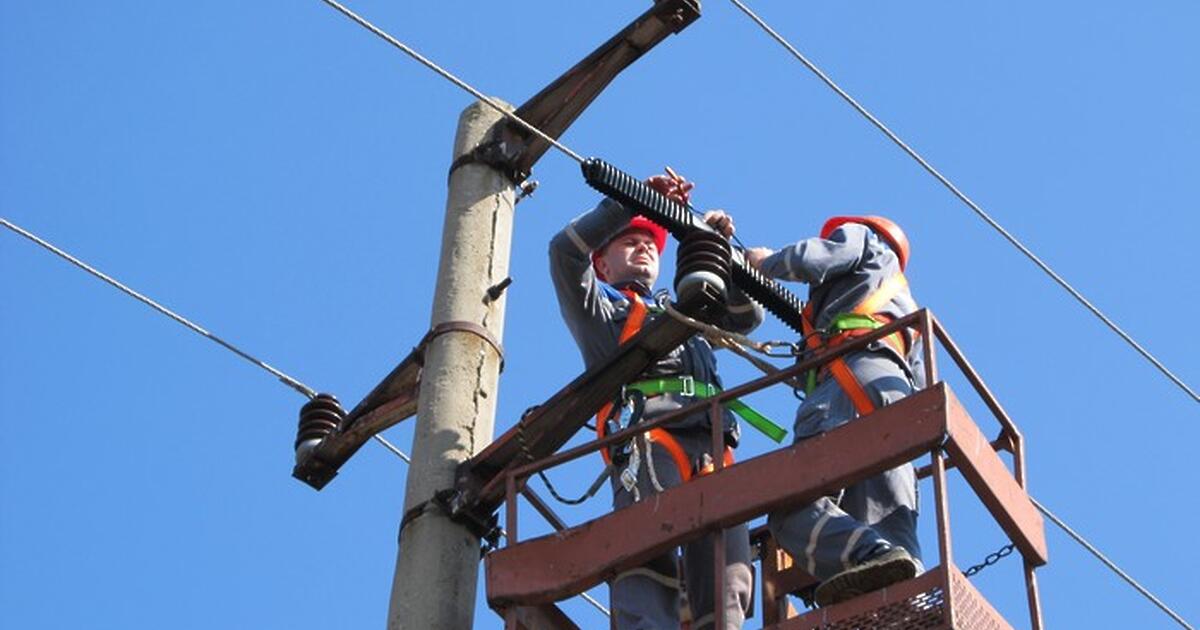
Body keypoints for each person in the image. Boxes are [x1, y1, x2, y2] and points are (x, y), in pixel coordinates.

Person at [549, 173, 762, 629]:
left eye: (651, 243)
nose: (644, 247)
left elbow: (745, 318)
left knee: (729, 568)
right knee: (648, 546)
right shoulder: (601, 313)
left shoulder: (683, 312)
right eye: (629, 242)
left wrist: (720, 251)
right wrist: (630, 203)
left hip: (712, 444)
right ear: (602, 266)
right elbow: (564, 252)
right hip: (651, 436)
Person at [745, 216, 925, 608]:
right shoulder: (907, 314)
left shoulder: (864, 238)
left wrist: (764, 263)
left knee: (793, 506)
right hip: (894, 403)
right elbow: (923, 391)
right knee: (886, 517)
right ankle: (909, 604)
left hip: (847, 383)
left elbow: (818, 258)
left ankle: (866, 556)